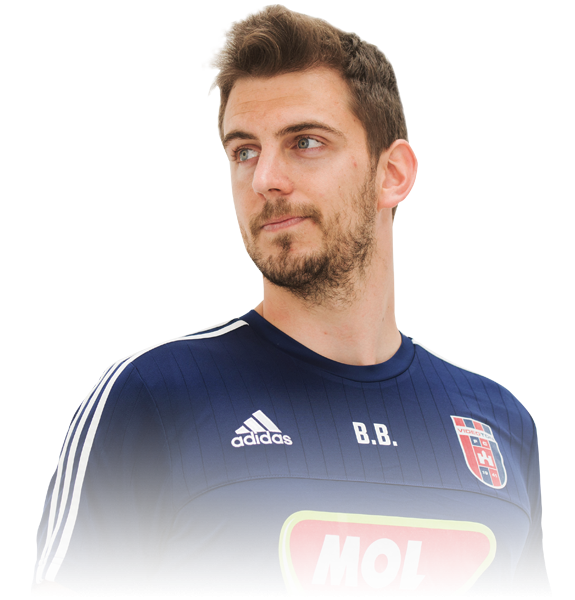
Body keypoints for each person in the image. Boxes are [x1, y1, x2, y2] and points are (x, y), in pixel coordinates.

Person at [31, 5, 550, 598]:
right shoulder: (152, 399)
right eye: (244, 151)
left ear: (392, 173)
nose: (265, 179)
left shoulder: (499, 425)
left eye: (305, 142)